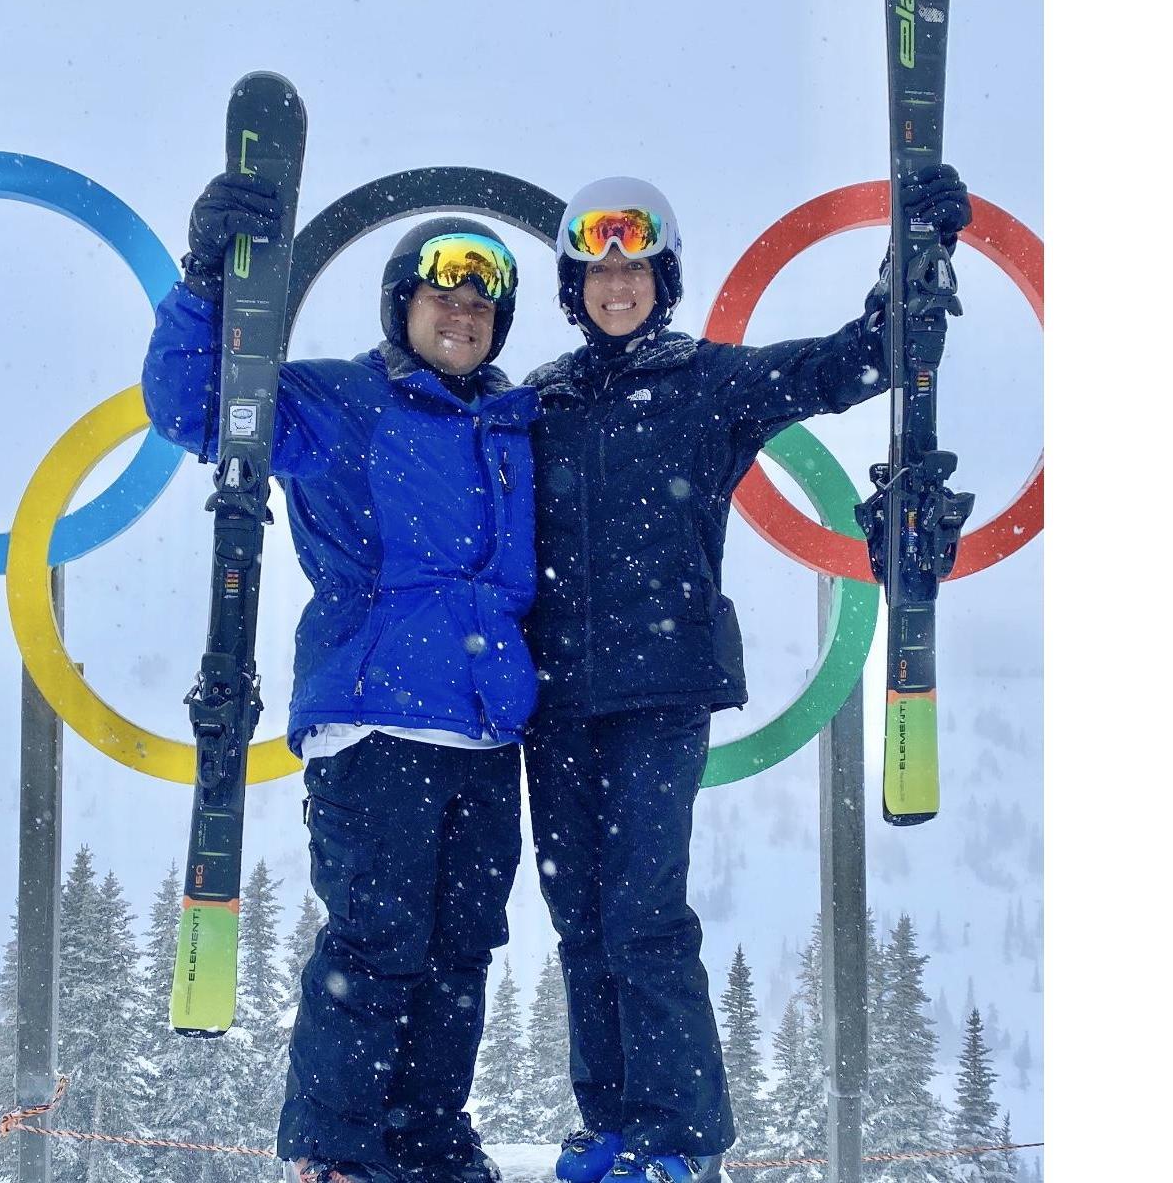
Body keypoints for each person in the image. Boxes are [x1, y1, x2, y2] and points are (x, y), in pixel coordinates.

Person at [522, 168, 971, 1183]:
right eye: (596, 271)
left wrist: (913, 266)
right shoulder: (538, 402)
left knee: (640, 911)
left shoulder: (706, 381)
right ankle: (609, 1126)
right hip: (549, 698)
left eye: (634, 266)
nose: (616, 285)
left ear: (663, 276)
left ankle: (679, 1138)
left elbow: (853, 365)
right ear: (573, 287)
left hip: (658, 689)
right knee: (579, 921)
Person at [142, 174, 543, 1183]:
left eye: (480, 302)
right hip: (376, 720)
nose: (462, 313)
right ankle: (339, 1152)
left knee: (460, 953)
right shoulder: (344, 401)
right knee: (377, 938)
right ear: (400, 305)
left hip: (488, 732)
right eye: (441, 294)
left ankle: (427, 1140)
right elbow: (199, 409)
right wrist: (204, 289)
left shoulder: (514, 429)